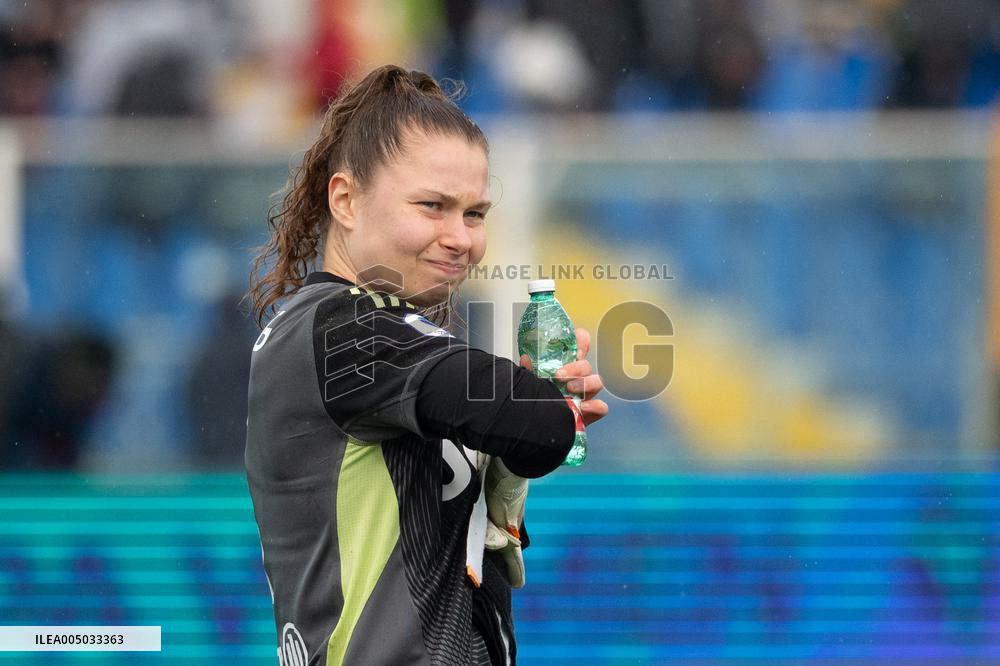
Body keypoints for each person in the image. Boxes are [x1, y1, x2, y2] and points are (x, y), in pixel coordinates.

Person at [245, 64, 608, 665]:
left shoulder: (360, 331)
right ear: (346, 199)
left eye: (474, 214)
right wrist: (544, 417)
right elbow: (539, 425)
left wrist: (514, 461)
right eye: (432, 206)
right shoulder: (344, 331)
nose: (461, 237)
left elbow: (527, 437)